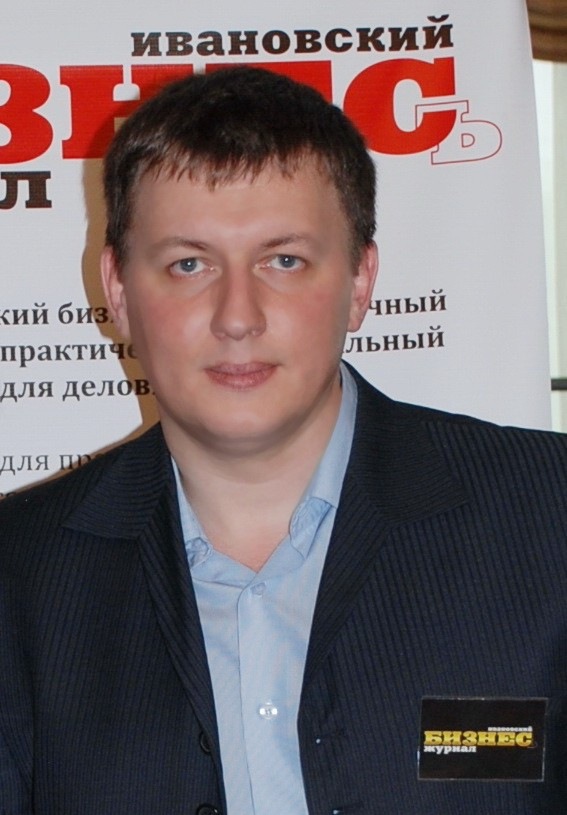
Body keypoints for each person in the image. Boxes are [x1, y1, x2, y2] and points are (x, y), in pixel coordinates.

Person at [1, 66, 567, 815]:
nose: (238, 316)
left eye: (284, 260)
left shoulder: (549, 516)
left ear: (360, 281)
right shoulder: (17, 577)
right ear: (119, 292)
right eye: (189, 264)